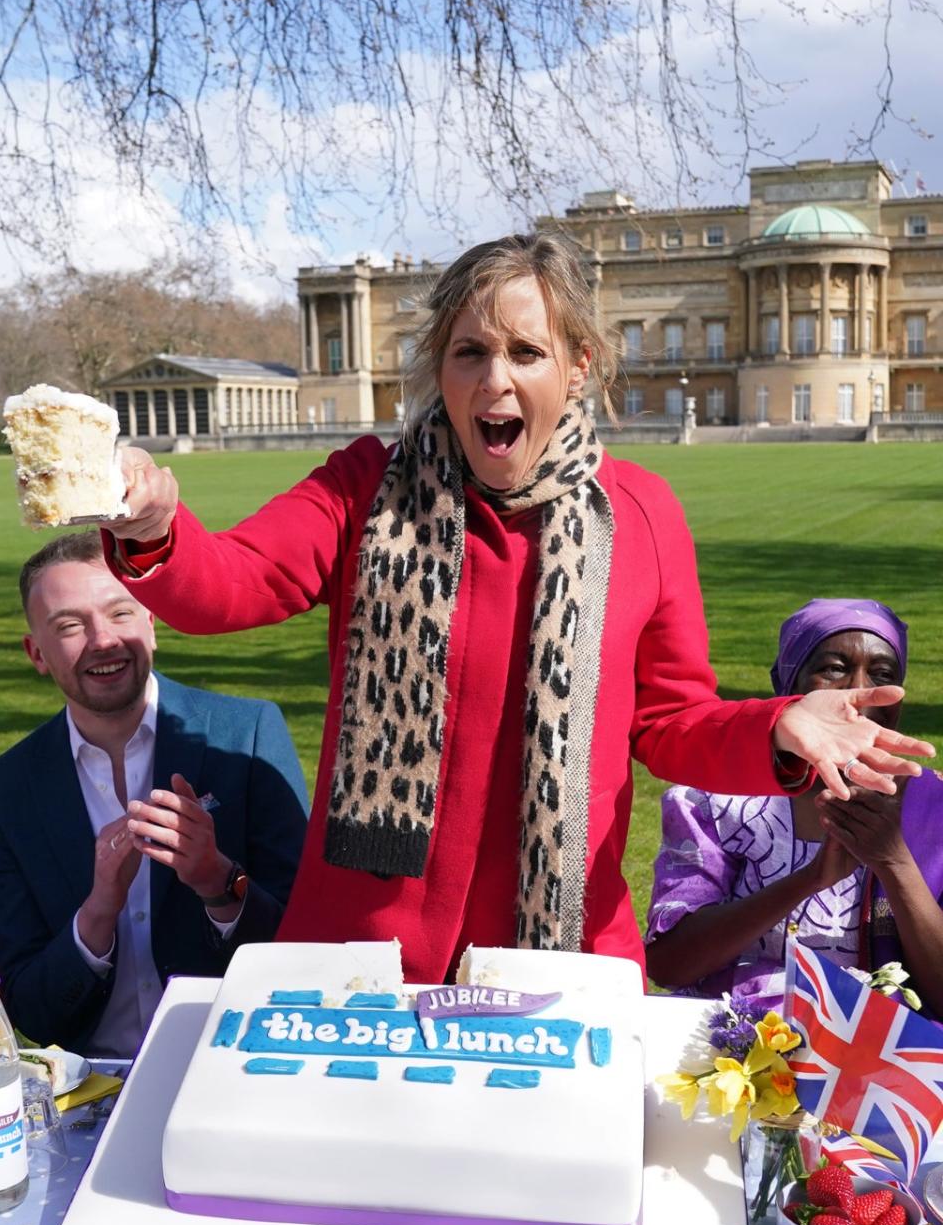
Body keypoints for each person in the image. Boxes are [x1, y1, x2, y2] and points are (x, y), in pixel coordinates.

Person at [97, 235, 932, 985]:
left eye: (525, 352)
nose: (496, 379)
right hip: (364, 948)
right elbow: (230, 581)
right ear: (440, 368)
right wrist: (155, 531)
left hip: (559, 956)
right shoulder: (366, 486)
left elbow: (674, 721)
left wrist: (781, 725)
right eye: (471, 352)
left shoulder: (638, 513)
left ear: (576, 365)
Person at [0, 532, 309, 1057]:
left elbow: (309, 946)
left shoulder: (245, 735)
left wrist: (219, 882)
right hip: (92, 1086)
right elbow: (30, 1011)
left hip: (238, 1064)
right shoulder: (2, 791)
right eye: (69, 625)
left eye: (120, 613)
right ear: (36, 653)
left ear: (151, 624)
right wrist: (96, 914)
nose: (103, 639)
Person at [645, 598, 943, 1015]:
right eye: (834, 669)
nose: (857, 691)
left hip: (878, 1058)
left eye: (882, 674)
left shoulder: (933, 808)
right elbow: (670, 964)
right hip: (723, 1050)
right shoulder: (715, 802)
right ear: (787, 686)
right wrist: (809, 880)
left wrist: (894, 862)